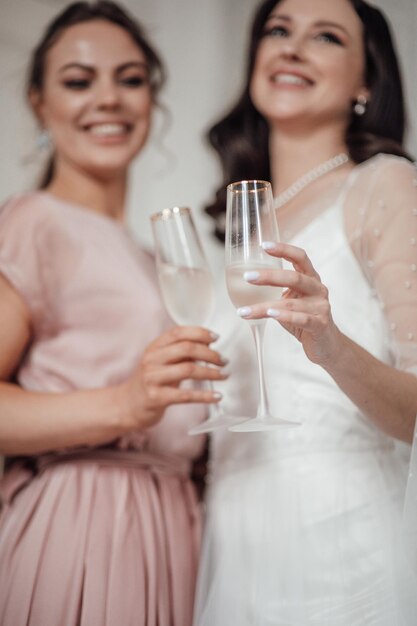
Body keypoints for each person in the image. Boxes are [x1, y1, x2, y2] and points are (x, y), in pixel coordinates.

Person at [0, 2, 227, 625]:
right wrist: (125, 404)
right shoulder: (32, 222)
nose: (109, 99)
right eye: (79, 81)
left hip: (173, 525)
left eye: (130, 79)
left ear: (151, 99)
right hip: (83, 522)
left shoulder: (152, 252)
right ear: (39, 102)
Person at [194, 0, 417, 624]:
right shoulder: (244, 222)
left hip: (335, 533)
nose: (291, 47)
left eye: (325, 36)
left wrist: (333, 346)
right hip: (235, 533)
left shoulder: (384, 184)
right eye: (278, 30)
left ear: (367, 82)